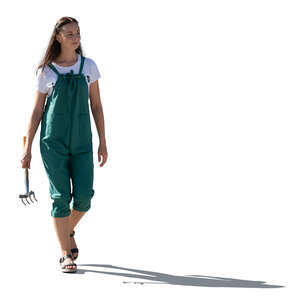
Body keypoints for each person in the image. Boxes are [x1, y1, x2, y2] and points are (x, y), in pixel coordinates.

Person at [20, 16, 108, 273]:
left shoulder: (88, 66)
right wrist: (27, 149)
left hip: (82, 142)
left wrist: (103, 141)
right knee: (60, 197)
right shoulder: (47, 70)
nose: (75, 37)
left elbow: (97, 106)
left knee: (83, 198)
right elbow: (37, 112)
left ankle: (66, 229)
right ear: (58, 37)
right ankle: (65, 254)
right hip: (53, 142)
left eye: (77, 33)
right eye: (69, 34)